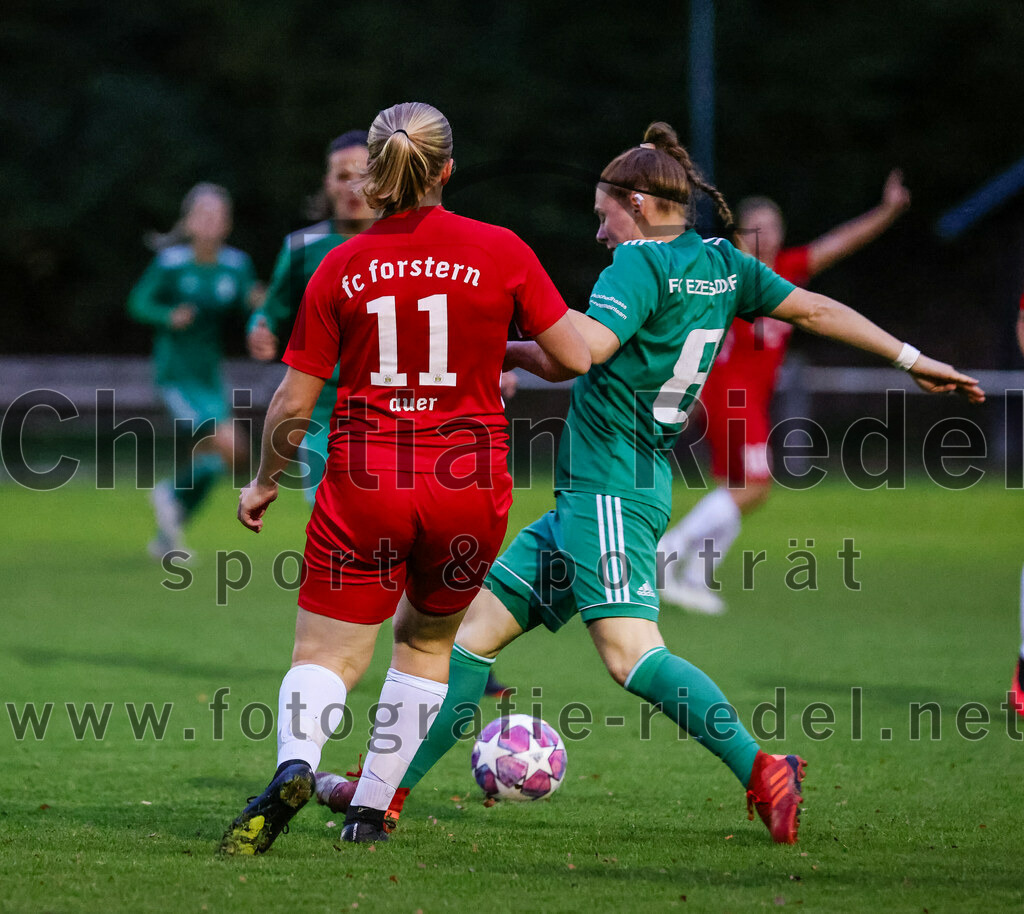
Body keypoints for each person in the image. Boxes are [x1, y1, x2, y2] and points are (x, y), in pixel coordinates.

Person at [318, 122, 983, 845]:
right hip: (609, 490)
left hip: (609, 489)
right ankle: (385, 793)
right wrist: (909, 356)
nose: (600, 231)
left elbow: (582, 352)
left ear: (636, 202)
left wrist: (480, 339)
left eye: (604, 213)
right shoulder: (725, 263)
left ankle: (763, 768)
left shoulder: (636, 266)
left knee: (629, 653)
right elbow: (815, 308)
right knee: (470, 639)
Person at [218, 101, 590, 855]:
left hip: (365, 478)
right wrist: (506, 351)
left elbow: (296, 398)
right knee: (425, 646)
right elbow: (573, 357)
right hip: (468, 484)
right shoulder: (501, 249)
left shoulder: (340, 264)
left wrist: (262, 481)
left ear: (377, 180)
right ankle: (371, 811)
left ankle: (297, 764)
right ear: (447, 170)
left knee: (326, 656)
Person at [246, 129, 515, 699]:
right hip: (325, 416)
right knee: (365, 527)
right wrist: (261, 332)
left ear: (379, 177)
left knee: (393, 533)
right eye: (337, 176)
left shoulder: (407, 243)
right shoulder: (304, 250)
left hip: (408, 422)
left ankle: (381, 651)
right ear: (325, 183)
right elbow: (271, 314)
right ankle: (381, 650)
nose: (349, 187)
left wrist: (489, 366)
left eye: (356, 174)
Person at [659, 172, 912, 613]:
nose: (771, 235)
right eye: (761, 226)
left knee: (736, 486)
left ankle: (695, 576)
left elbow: (839, 243)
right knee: (755, 485)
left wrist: (887, 211)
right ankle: (668, 554)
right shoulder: (727, 267)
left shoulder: (785, 270)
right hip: (726, 392)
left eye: (776, 227)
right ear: (739, 232)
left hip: (749, 397)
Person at [128, 183, 262, 559]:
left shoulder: (235, 265)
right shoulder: (171, 265)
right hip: (175, 374)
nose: (210, 222)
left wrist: (260, 307)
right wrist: (168, 315)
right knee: (229, 447)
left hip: (209, 376)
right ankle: (170, 494)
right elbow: (138, 302)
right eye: (203, 215)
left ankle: (169, 526)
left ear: (228, 224)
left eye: (217, 216)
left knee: (225, 459)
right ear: (188, 222)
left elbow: (248, 306)